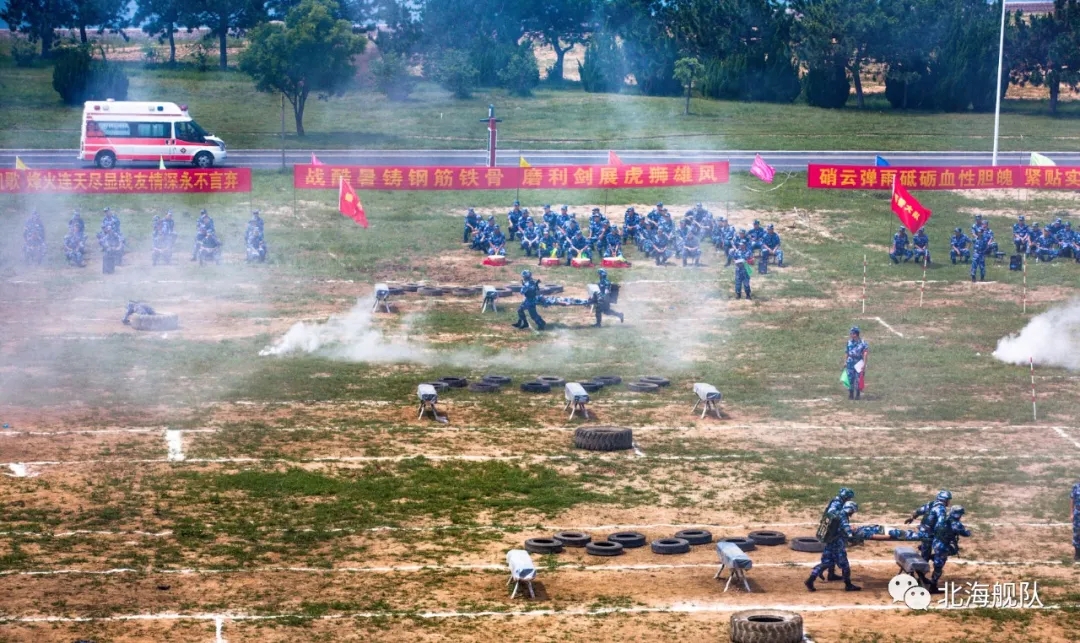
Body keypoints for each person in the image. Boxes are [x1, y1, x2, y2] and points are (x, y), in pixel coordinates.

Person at [806, 500, 861, 592]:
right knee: (845, 565)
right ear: (850, 510)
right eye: (852, 511)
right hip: (837, 545)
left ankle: (810, 579)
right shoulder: (843, 517)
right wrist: (853, 534)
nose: (852, 513)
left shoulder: (836, 512)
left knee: (826, 563)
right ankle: (848, 585)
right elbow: (847, 531)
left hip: (829, 543)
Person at [894, 490, 951, 564]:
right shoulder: (941, 509)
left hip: (922, 530)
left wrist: (912, 518)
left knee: (925, 550)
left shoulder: (931, 504)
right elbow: (940, 524)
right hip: (929, 535)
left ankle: (921, 566)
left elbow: (919, 511)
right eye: (948, 500)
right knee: (931, 554)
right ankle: (921, 571)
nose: (949, 502)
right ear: (945, 500)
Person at [927, 506, 971, 593]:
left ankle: (934, 557)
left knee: (953, 550)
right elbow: (965, 533)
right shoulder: (956, 524)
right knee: (938, 567)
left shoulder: (942, 519)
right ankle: (933, 586)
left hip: (936, 542)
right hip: (942, 547)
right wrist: (968, 532)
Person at [817, 487, 855, 582]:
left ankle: (831, 574)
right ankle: (818, 573)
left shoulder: (838, 501)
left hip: (833, 532)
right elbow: (831, 514)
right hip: (833, 533)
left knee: (830, 554)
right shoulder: (837, 503)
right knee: (834, 554)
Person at [843, 326, 867, 400]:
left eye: (852, 333)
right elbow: (847, 352)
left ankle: (857, 395)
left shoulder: (863, 343)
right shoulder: (849, 342)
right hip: (850, 362)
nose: (850, 334)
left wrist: (864, 364)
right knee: (850, 378)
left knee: (859, 379)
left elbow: (865, 354)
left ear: (855, 334)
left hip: (859, 362)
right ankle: (851, 394)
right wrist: (845, 362)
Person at [1071, 479, 1080, 562]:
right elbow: (1072, 500)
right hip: (1077, 512)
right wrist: (1072, 513)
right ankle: (1077, 553)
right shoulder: (1075, 487)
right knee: (1076, 533)